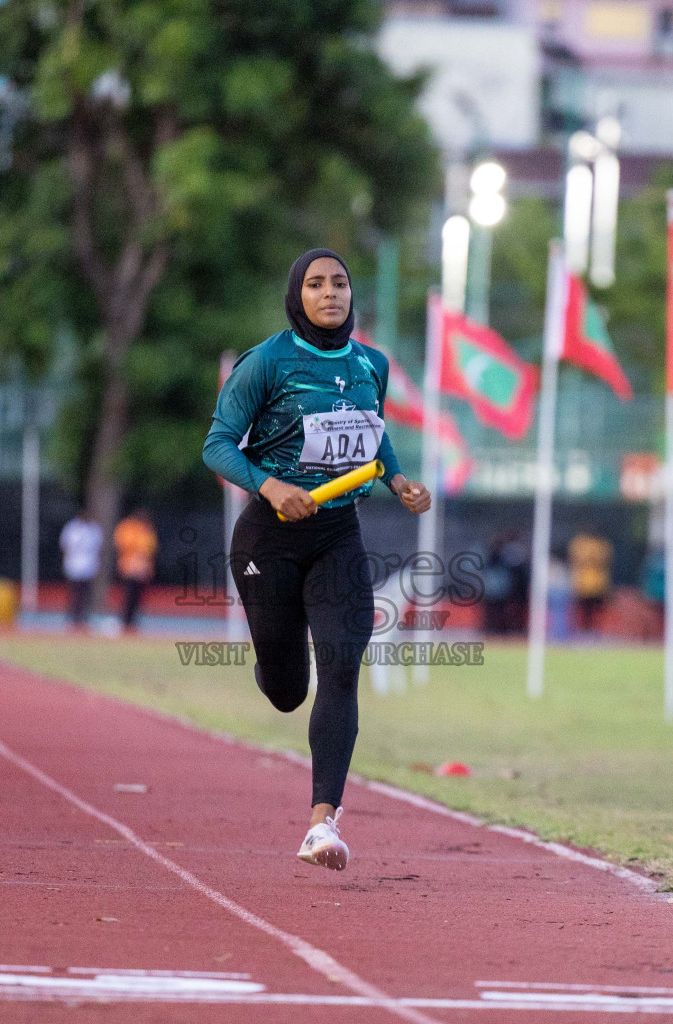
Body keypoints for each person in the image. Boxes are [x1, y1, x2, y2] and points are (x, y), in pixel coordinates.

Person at [203, 247, 430, 872]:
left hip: (338, 537)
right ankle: (276, 658)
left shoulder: (371, 364)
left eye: (340, 283)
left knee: (341, 669)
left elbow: (373, 431)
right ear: (295, 295)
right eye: (315, 284)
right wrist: (270, 486)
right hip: (268, 538)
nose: (330, 293)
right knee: (285, 690)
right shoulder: (267, 362)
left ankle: (321, 824)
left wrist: (399, 480)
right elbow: (217, 445)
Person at [112, 509, 158, 632]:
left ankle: (132, 621)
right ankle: (125, 621)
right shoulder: (127, 527)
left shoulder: (146, 529)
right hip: (129, 567)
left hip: (142, 568)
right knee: (128, 596)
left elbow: (151, 548)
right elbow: (123, 545)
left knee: (138, 597)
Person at [60, 508, 102, 629]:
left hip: (88, 565)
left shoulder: (94, 529)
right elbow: (65, 546)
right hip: (73, 564)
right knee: (74, 592)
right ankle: (72, 616)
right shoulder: (71, 528)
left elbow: (97, 548)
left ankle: (83, 617)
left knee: (85, 593)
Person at [568, 530, 613, 633]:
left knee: (597, 609)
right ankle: (582, 630)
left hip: (598, 583)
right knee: (583, 609)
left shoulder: (601, 544)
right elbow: (577, 558)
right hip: (583, 583)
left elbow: (604, 559)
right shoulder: (580, 543)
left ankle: (595, 630)